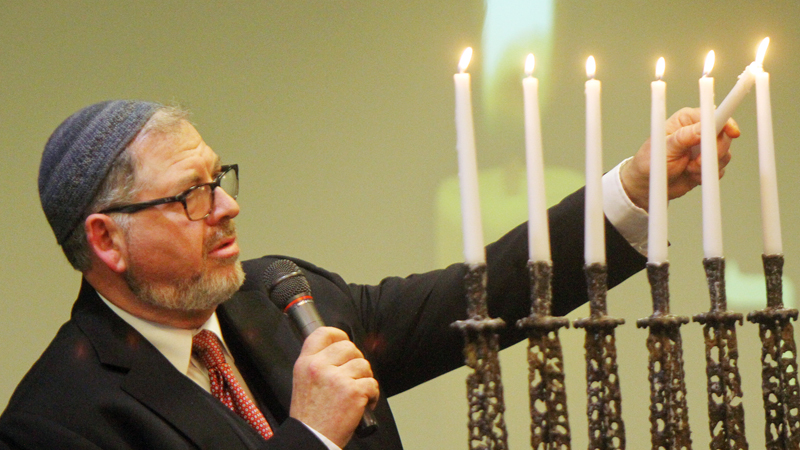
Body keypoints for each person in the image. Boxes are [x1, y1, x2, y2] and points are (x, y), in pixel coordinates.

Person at [0, 100, 738, 450]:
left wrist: (636, 188)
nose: (228, 206)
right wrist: (311, 439)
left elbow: (475, 298)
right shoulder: (56, 422)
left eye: (217, 177)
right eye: (191, 194)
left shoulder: (280, 297)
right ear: (107, 240)